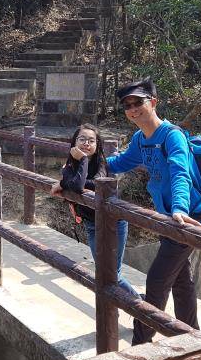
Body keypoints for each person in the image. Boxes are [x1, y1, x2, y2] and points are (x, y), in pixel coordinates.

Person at [105, 77, 201, 344]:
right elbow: (119, 163)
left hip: (187, 215)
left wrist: (179, 208)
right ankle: (191, 334)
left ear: (153, 102)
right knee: (181, 278)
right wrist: (83, 163)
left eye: (138, 102)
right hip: (168, 215)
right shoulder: (141, 139)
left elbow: (180, 173)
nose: (132, 108)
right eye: (127, 105)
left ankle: (141, 346)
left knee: (156, 280)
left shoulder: (172, 135)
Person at [50, 124, 139, 297]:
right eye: (82, 139)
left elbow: (78, 184)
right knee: (103, 271)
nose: (86, 144)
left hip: (114, 223)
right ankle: (135, 306)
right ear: (74, 142)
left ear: (97, 145)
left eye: (91, 140)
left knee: (113, 273)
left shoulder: (101, 165)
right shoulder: (69, 166)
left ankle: (140, 308)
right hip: (92, 223)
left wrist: (73, 172)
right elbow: (77, 184)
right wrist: (70, 180)